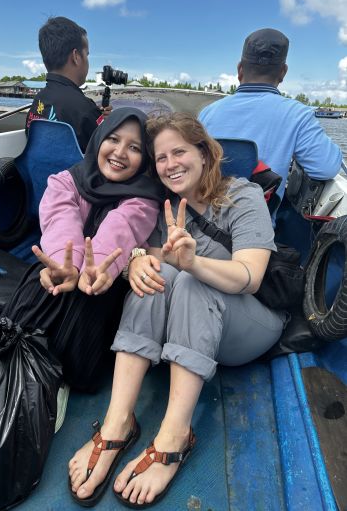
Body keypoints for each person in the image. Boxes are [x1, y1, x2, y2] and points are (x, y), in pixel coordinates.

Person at [68, 113, 288, 507]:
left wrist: (194, 264)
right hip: (189, 325)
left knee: (189, 279)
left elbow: (250, 276)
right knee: (152, 275)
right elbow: (152, 254)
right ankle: (119, 422)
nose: (170, 165)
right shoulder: (163, 206)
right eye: (161, 158)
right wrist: (136, 259)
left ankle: (175, 435)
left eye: (179, 152)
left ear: (204, 153)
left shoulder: (242, 195)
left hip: (248, 325)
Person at [2, 107, 164, 391]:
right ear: (99, 139)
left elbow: (121, 228)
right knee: (38, 289)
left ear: (145, 158)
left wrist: (92, 269)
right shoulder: (66, 180)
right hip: (63, 268)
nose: (120, 152)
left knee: (86, 299)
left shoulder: (144, 198)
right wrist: (68, 266)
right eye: (113, 139)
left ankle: (55, 381)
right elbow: (61, 220)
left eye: (135, 147)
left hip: (103, 282)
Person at [199, 28, 342, 205]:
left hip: (204, 221)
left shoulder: (207, 113)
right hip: (259, 227)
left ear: (240, 69)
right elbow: (325, 168)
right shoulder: (297, 114)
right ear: (283, 72)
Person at [25, 16, 108, 152]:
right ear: (76, 56)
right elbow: (105, 152)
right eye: (86, 55)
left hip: (37, 173)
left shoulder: (38, 100)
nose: (87, 61)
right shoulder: (85, 108)